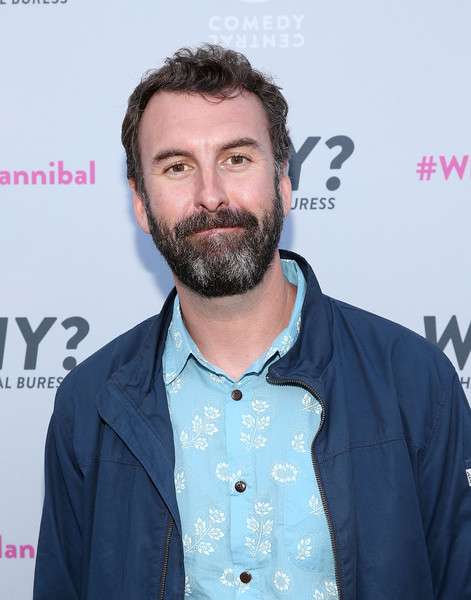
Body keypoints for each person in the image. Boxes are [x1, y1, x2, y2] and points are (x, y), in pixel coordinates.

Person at [33, 44, 471, 600]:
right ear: (141, 205)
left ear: (284, 183)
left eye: (237, 159)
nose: (210, 195)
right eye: (176, 167)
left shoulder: (414, 380)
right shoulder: (89, 404)